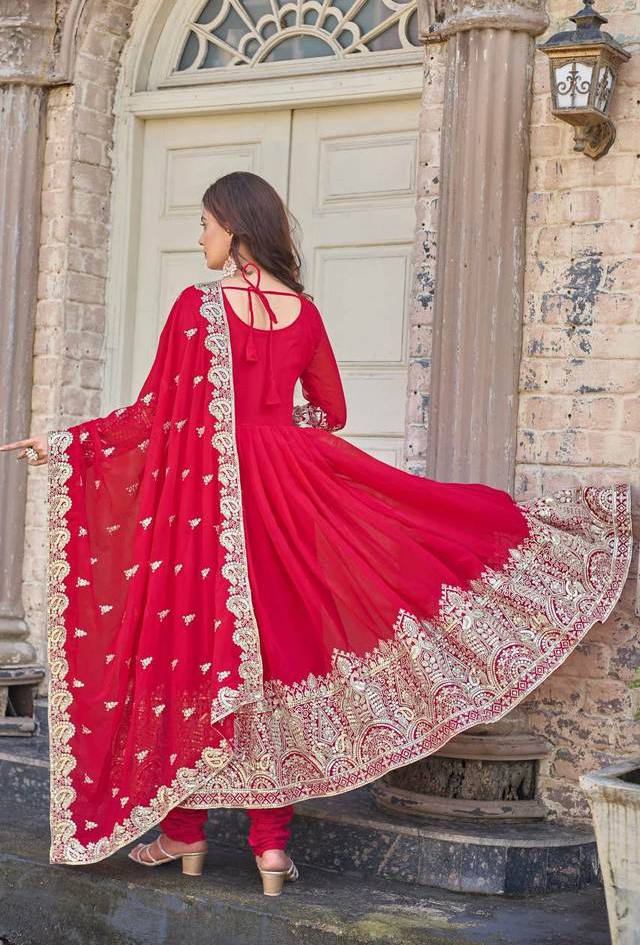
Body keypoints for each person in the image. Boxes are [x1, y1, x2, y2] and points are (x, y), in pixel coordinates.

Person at [1, 171, 632, 899]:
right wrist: (279, 438)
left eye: (205, 224)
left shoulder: (198, 308)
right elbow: (330, 410)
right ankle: (271, 850)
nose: (200, 239)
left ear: (235, 229)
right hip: (290, 498)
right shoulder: (303, 313)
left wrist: (66, 445)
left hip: (210, 509)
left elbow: (155, 416)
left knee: (194, 655)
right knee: (278, 659)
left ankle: (186, 834)